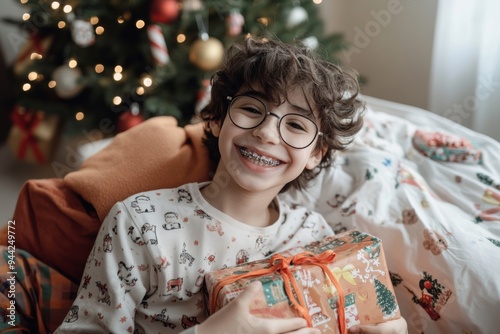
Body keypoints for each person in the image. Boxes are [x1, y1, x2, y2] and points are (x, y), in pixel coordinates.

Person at [55, 37, 407, 334]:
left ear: (316, 153)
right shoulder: (140, 223)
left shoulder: (314, 236)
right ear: (219, 119)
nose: (267, 133)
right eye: (252, 109)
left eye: (297, 125)